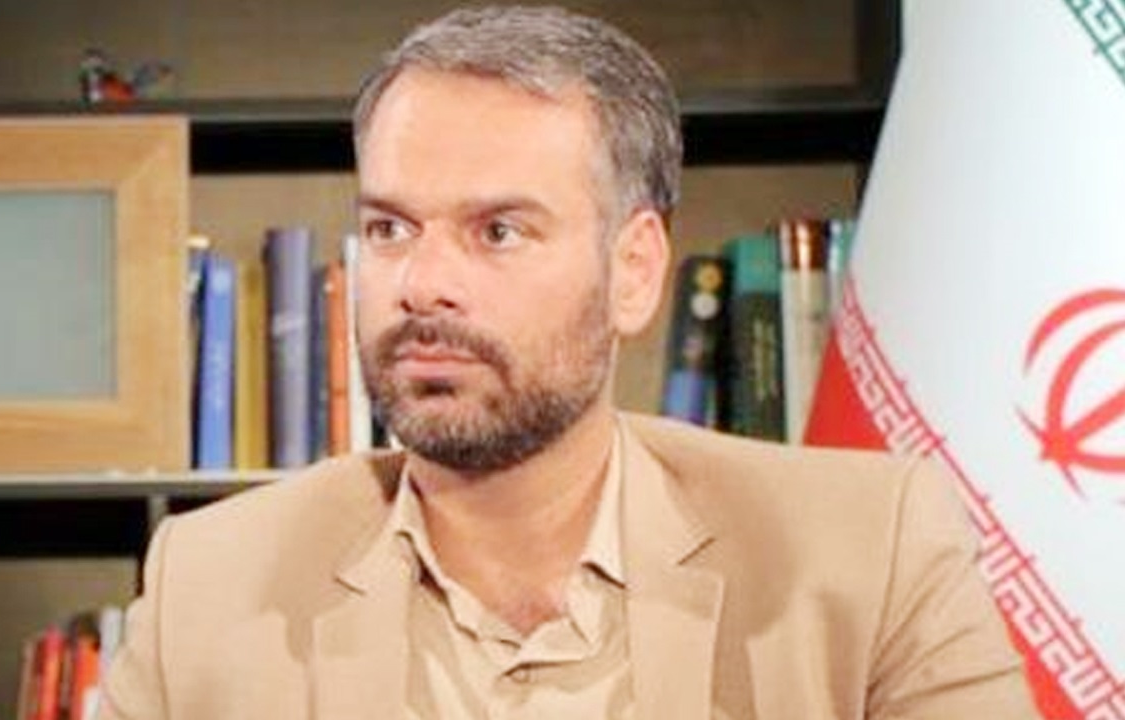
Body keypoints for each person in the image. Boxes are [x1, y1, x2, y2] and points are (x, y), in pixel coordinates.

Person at [98, 6, 1038, 719]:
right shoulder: (208, 584)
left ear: (634, 272)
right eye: (389, 229)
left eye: (498, 231)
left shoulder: (867, 555)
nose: (423, 285)